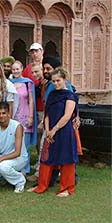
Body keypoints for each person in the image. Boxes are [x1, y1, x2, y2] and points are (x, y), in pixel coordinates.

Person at [27, 68, 79, 197]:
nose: (55, 84)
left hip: (65, 132)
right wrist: (48, 130)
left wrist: (54, 130)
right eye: (53, 81)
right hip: (50, 130)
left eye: (58, 81)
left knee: (66, 159)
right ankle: (42, 185)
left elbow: (67, 116)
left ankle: (67, 188)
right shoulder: (52, 95)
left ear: (65, 80)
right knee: (46, 158)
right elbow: (47, 114)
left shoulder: (70, 96)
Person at [0, 102, 28, 193]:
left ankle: (20, 180)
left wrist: (0, 159)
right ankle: (1, 178)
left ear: (9, 114)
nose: (1, 116)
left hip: (19, 158)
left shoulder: (17, 126)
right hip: (3, 157)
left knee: (2, 167)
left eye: (4, 113)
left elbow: (17, 152)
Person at [9, 60, 37, 175]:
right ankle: (14, 167)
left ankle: (25, 169)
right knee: (13, 143)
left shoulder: (28, 83)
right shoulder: (9, 83)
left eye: (17, 69)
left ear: (22, 69)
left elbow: (31, 100)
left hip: (25, 116)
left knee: (24, 145)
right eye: (13, 69)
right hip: (13, 116)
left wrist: (31, 116)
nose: (15, 71)